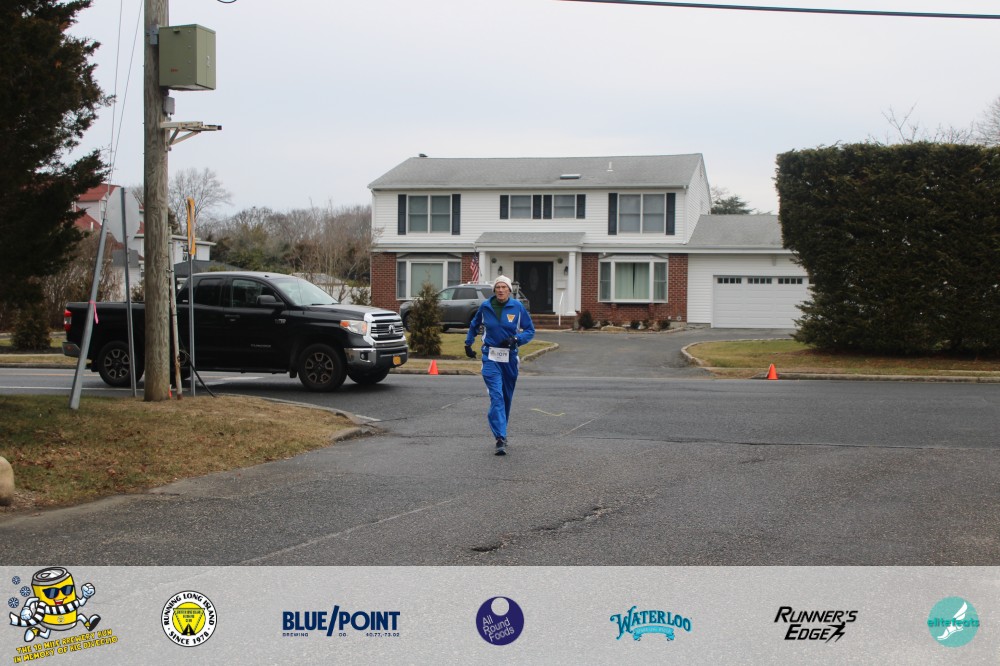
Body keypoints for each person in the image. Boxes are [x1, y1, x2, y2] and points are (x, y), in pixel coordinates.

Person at [465, 275, 535, 455]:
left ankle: (502, 430)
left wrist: (516, 339)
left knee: (506, 397)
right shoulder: (486, 306)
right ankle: (500, 437)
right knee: (496, 396)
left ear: (509, 290)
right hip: (490, 356)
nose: (501, 290)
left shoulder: (517, 307)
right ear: (494, 290)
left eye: (504, 287)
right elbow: (474, 324)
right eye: (498, 287)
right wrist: (468, 343)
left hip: (509, 357)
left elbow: (530, 330)